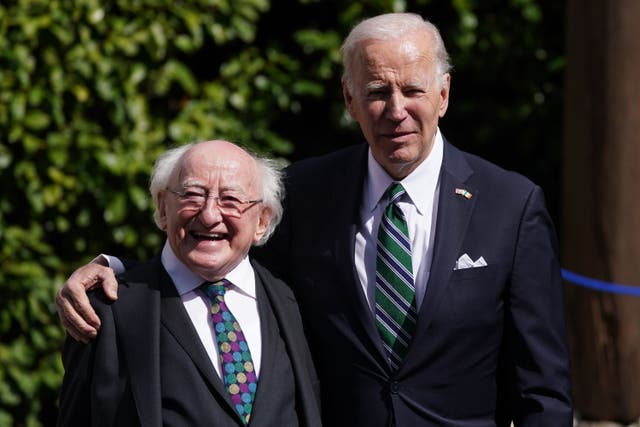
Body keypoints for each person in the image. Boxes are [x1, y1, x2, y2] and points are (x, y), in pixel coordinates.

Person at [56, 13, 573, 426]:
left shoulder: (511, 204)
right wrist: (111, 271)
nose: (395, 110)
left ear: (443, 94)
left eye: (412, 90)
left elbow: (542, 389)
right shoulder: (303, 194)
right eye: (375, 92)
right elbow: (215, 251)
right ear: (350, 99)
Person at [57, 140, 321, 427]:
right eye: (192, 195)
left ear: (262, 221)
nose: (209, 215)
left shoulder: (295, 299)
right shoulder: (104, 312)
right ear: (162, 208)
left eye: (230, 199)